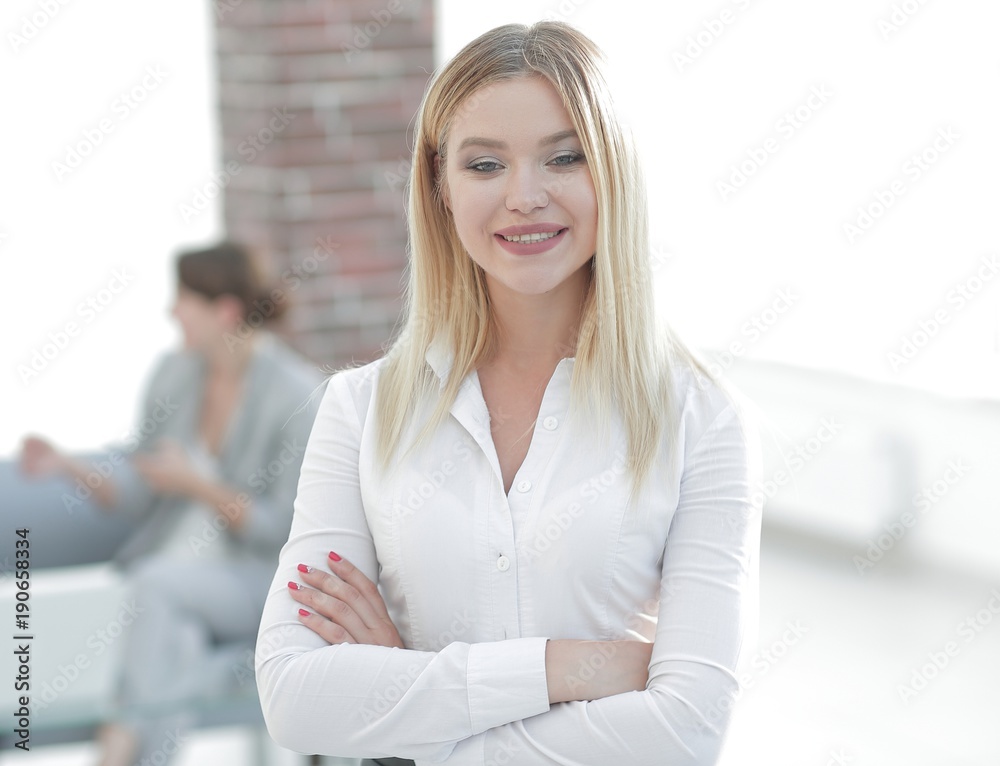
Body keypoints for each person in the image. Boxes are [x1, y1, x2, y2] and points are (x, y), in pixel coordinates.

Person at [255, 21, 761, 766]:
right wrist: (567, 667)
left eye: (564, 157)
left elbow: (685, 731)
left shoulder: (703, 420)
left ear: (612, 170)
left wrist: (407, 700)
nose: (525, 197)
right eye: (485, 164)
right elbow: (296, 701)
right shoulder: (360, 411)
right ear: (441, 185)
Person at [19, 241, 324, 766]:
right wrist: (66, 466)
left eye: (183, 298)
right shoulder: (175, 374)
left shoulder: (297, 393)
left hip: (256, 580)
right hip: (178, 584)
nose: (170, 311)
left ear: (224, 311)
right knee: (172, 633)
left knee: (155, 587)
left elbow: (282, 530)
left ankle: (117, 745)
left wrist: (198, 485)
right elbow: (139, 496)